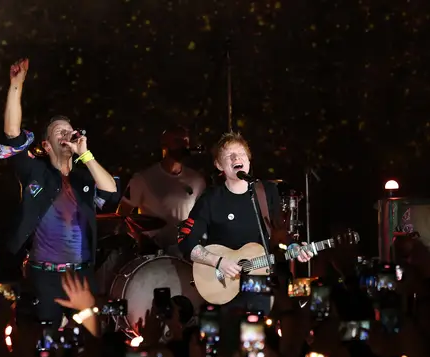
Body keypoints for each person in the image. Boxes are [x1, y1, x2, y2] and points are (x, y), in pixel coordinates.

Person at [0, 58, 119, 324]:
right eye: (59, 131)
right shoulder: (35, 172)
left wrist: (85, 154)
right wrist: (16, 85)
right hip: (44, 277)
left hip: (82, 276)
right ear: (47, 143)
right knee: (48, 344)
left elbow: (111, 193)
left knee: (88, 345)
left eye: (69, 129)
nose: (66, 134)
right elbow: (12, 133)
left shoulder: (84, 177)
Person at [177, 132, 313, 310]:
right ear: (219, 165)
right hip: (223, 285)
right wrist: (218, 262)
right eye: (228, 155)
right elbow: (186, 242)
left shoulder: (267, 192)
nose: (236, 158)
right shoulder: (211, 198)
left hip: (260, 282)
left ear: (248, 160)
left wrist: (294, 247)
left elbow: (280, 233)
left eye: (241, 153)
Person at [117, 126, 206, 256]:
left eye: (186, 142)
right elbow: (122, 214)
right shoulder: (143, 179)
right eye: (177, 141)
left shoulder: (197, 180)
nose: (184, 146)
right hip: (153, 253)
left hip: (185, 251)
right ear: (164, 144)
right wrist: (139, 239)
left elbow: (203, 216)